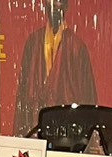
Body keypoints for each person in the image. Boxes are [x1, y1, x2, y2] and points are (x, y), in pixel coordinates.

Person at [14, 0, 97, 139]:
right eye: (52, 2)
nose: (55, 6)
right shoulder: (33, 43)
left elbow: (88, 98)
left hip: (67, 133)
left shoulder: (77, 47)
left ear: (66, 6)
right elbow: (23, 93)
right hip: (36, 127)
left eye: (59, 2)